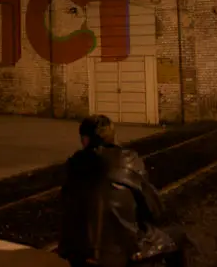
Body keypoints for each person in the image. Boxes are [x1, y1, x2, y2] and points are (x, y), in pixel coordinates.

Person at [58, 114, 185, 267]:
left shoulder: (73, 164)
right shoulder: (129, 161)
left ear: (85, 140)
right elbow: (154, 210)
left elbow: (65, 206)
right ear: (112, 136)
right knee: (177, 236)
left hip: (76, 253)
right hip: (120, 254)